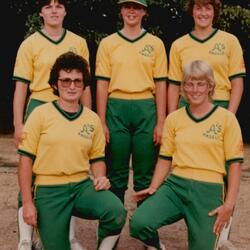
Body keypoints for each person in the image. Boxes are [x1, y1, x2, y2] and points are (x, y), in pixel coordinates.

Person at [17, 51, 127, 250]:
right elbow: (25, 162)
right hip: (49, 190)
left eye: (78, 80)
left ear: (84, 84)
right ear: (55, 84)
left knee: (116, 210)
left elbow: (97, 158)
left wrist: (100, 176)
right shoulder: (40, 114)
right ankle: (40, 240)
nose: (72, 86)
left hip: (81, 186)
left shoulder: (92, 119)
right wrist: (27, 203)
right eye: (66, 80)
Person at [129, 60, 243, 250]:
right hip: (176, 186)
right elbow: (165, 158)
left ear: (210, 86)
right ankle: (158, 247)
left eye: (200, 84)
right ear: (183, 88)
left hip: (209, 190)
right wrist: (154, 187)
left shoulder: (226, 119)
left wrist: (229, 205)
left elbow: (235, 165)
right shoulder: (174, 118)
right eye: (189, 84)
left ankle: (218, 242)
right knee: (139, 222)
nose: (195, 89)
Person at [12, 1, 92, 249]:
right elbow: (21, 87)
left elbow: (84, 84)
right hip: (40, 108)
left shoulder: (78, 42)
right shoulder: (30, 43)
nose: (54, 10)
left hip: (71, 110)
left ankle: (69, 236)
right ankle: (26, 239)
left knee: (68, 171)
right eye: (48, 6)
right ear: (41, 13)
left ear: (65, 11)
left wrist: (88, 117)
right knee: (31, 172)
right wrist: (18, 123)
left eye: (59, 5)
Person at [95, 0, 167, 204]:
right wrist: (101, 121)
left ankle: (144, 226)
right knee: (116, 173)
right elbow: (102, 84)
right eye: (127, 6)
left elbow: (161, 84)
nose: (131, 11)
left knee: (145, 174)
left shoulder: (155, 44)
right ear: (121, 10)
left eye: (136, 7)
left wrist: (161, 121)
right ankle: (111, 230)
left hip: (146, 107)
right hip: (117, 107)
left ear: (144, 11)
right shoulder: (108, 43)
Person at [168, 0, 246, 114]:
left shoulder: (231, 41)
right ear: (192, 12)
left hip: (220, 105)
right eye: (198, 8)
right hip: (187, 106)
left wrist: (230, 116)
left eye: (208, 8)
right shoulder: (178, 45)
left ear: (215, 12)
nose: (203, 13)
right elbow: (174, 86)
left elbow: (237, 83)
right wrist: (171, 119)